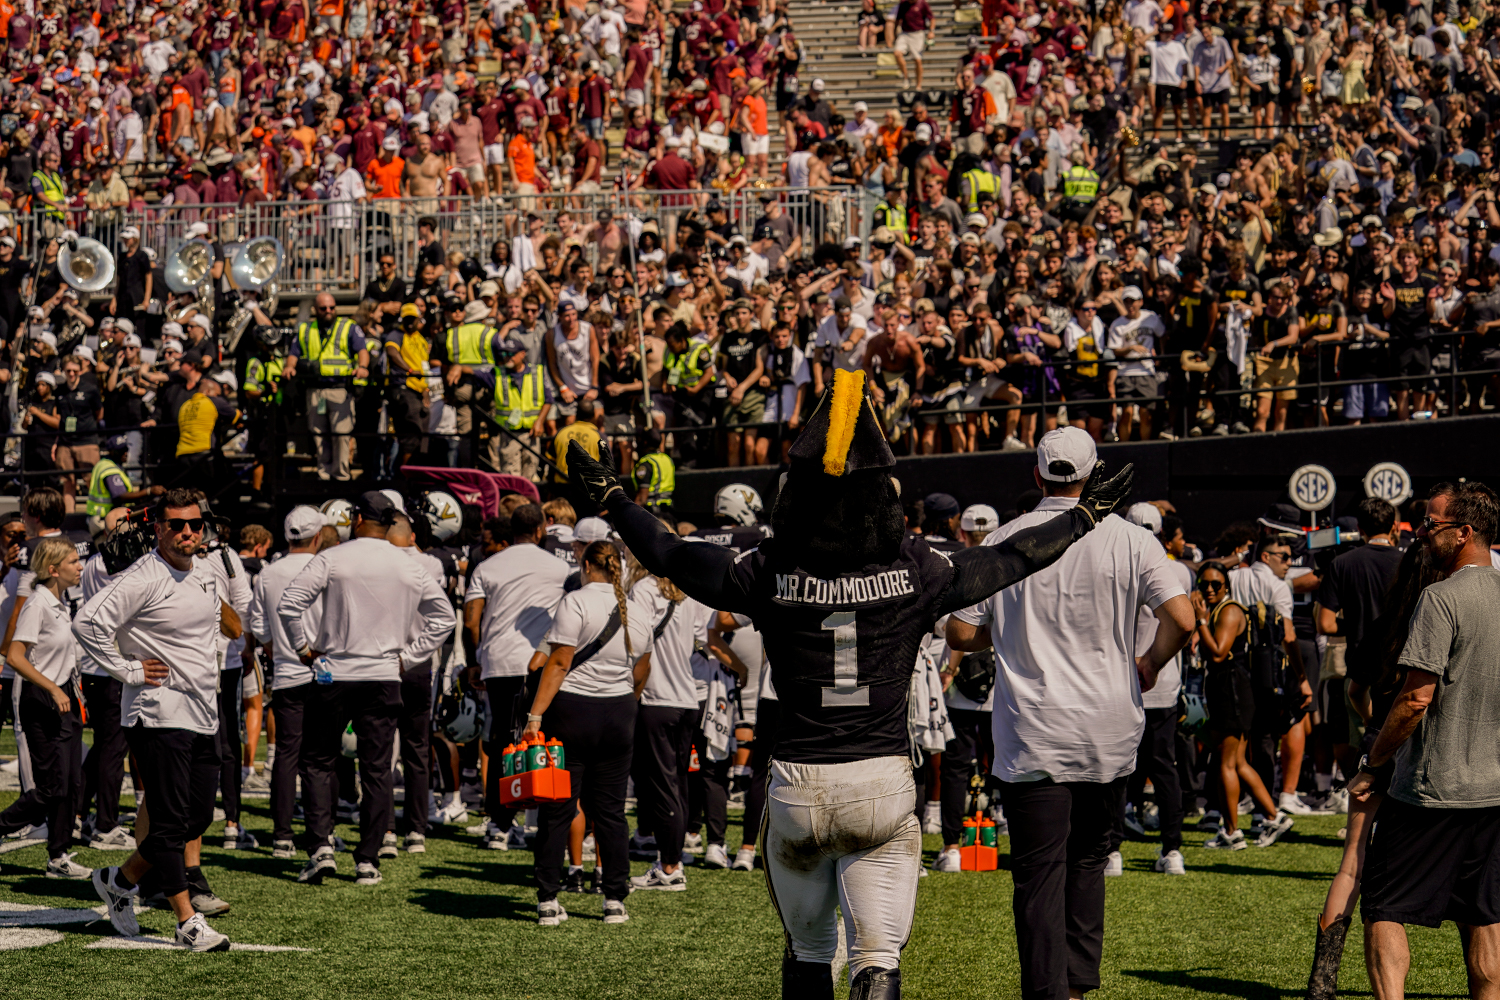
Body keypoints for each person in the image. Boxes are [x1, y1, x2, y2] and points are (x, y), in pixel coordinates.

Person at [566, 370, 1134, 998]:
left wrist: (613, 500)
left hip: (799, 784)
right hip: (881, 784)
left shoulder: (769, 568)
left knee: (810, 954)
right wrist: (1082, 517)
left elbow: (672, 554)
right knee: (877, 958)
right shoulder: (915, 568)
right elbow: (1015, 557)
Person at [946, 427, 1193, 1000]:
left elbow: (961, 628)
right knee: (1088, 862)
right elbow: (1182, 618)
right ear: (1094, 472)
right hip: (1108, 727)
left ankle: (1047, 991)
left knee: (1037, 873)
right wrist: (1150, 664)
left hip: (1033, 730)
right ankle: (1076, 986)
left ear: (1036, 476)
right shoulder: (1131, 539)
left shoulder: (1005, 537)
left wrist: (1008, 634)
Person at [1349, 481, 1500, 1000]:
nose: (1421, 536)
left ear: (1464, 533)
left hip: (1430, 789)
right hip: (1493, 791)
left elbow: (1415, 700)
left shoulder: (1440, 597)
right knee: (1485, 916)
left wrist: (1373, 761)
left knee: (1385, 907)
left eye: (1431, 526)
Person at [79, 489, 233, 952]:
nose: (187, 532)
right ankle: (187, 921)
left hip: (204, 711)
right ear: (158, 529)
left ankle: (119, 879)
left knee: (198, 816)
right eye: (175, 524)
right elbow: (87, 624)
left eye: (194, 524)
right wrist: (127, 669)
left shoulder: (206, 570)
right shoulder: (142, 576)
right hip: (158, 711)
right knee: (168, 821)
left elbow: (221, 629)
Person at [276, 492, 453, 886]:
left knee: (319, 761)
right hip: (384, 675)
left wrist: (304, 650)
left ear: (356, 519)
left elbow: (289, 605)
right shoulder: (409, 565)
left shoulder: (334, 557)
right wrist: (408, 657)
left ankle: (321, 846)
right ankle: (367, 859)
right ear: (389, 524)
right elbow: (444, 619)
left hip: (335, 672)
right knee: (376, 769)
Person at [522, 540, 653, 927]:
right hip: (619, 712)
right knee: (611, 812)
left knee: (558, 808)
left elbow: (559, 662)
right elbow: (642, 668)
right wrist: (627, 701)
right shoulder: (637, 607)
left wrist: (535, 715)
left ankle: (548, 899)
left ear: (585, 565)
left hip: (572, 712)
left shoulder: (576, 601)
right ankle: (614, 899)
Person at [465, 502, 570, 851]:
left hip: (498, 662)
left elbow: (470, 620)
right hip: (540, 665)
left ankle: (499, 824)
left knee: (500, 743)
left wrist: (474, 660)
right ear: (541, 530)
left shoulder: (487, 565)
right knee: (540, 740)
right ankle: (538, 819)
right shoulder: (559, 568)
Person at [629, 520, 717, 893]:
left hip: (657, 699)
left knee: (665, 785)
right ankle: (673, 859)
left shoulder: (643, 590)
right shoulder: (688, 590)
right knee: (677, 783)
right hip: (687, 699)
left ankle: (670, 865)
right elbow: (701, 640)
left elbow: (635, 643)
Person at [246, 506, 330, 860]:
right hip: (325, 671)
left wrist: (278, 648)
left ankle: (282, 834)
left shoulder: (268, 573)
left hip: (285, 671)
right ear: (318, 535)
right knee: (321, 758)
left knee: (285, 754)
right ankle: (321, 836)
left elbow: (259, 626)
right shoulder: (328, 568)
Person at [0, 537, 86, 878]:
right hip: (40, 699)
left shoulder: (63, 604)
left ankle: (58, 857)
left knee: (71, 782)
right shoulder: (37, 604)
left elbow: (66, 658)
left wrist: (74, 694)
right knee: (51, 787)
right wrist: (52, 688)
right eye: (73, 562)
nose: (80, 567)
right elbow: (15, 655)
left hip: (64, 698)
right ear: (53, 570)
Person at [1190, 562, 1282, 851]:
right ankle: (1271, 816)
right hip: (1226, 689)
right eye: (1203, 584)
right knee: (1237, 763)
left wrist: (1201, 621)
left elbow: (1218, 653)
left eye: (1215, 584)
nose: (1209, 589)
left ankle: (1233, 831)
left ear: (1226, 586)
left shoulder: (1229, 610)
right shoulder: (1220, 609)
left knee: (1228, 764)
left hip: (1232, 691)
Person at [283, 292, 370, 481]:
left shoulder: (347, 327)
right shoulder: (306, 329)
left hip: (339, 389)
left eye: (332, 307)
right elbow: (294, 353)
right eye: (323, 308)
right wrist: (289, 366)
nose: (328, 311)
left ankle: (340, 476)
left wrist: (362, 367)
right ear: (315, 309)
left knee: (341, 434)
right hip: (315, 390)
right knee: (319, 434)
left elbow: (362, 350)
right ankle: (324, 474)